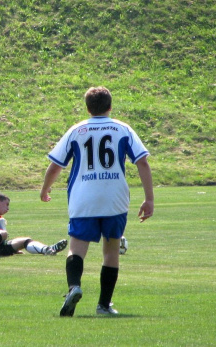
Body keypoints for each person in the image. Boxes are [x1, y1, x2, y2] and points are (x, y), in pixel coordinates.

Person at [40, 86, 154, 316]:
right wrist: (149, 198)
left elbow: (56, 166)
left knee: (77, 248)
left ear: (87, 108)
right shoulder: (123, 129)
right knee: (111, 251)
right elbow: (142, 162)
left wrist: (45, 188)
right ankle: (103, 305)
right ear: (110, 107)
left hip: (84, 199)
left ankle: (74, 287)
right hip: (115, 198)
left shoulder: (77, 130)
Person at [0, 193, 68, 257]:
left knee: (25, 240)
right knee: (2, 233)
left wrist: (13, 249)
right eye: (6, 204)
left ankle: (48, 249)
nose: (8, 208)